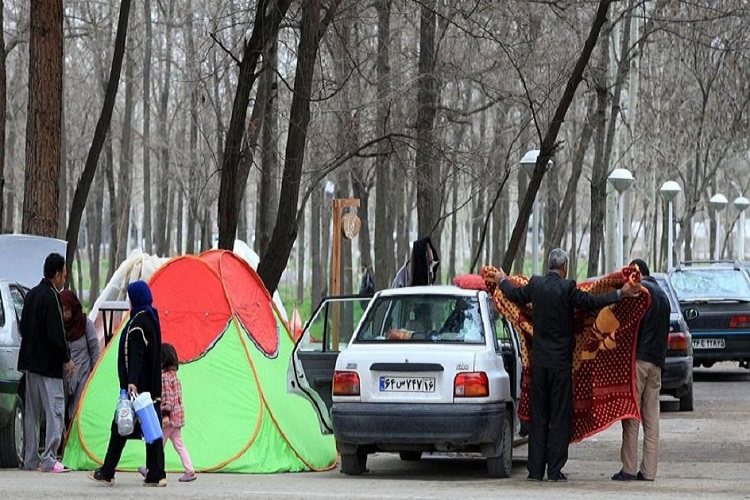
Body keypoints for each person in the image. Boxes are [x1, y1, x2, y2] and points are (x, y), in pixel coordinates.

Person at [492, 248, 640, 482]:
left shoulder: (536, 285)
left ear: (549, 265)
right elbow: (592, 302)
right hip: (561, 365)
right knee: (559, 418)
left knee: (539, 416)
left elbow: (515, 294)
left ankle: (535, 471)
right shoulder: (568, 287)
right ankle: (554, 471)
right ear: (565, 268)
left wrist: (501, 281)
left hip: (540, 364)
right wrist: (620, 294)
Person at [88, 281, 166, 487]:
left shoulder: (139, 323)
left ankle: (107, 471)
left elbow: (137, 356)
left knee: (120, 426)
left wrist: (132, 382)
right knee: (152, 428)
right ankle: (157, 473)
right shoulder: (151, 317)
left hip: (137, 388)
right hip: (151, 387)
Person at [612, 259, 669, 482]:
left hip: (638, 362)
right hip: (657, 363)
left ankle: (628, 468)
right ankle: (648, 472)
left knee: (631, 415)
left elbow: (627, 327)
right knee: (652, 417)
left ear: (637, 273)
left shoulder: (641, 294)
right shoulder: (664, 297)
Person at [18, 252, 75, 473]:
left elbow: (23, 327)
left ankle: (30, 458)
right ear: (57, 274)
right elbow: (57, 335)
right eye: (64, 274)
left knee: (32, 413)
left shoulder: (31, 295)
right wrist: (67, 359)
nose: (65, 279)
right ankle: (50, 458)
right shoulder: (52, 297)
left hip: (30, 365)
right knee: (55, 411)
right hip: (49, 367)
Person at [138, 343, 196, 483]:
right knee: (179, 444)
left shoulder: (163, 377)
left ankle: (152, 470)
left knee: (157, 444)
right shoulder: (174, 376)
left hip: (168, 418)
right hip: (177, 418)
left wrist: (165, 415)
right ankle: (189, 470)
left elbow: (168, 397)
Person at [60, 290, 101, 422]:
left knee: (78, 412)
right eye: (62, 310)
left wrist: (94, 375)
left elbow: (94, 349)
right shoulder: (58, 326)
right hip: (64, 378)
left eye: (67, 310)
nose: (64, 314)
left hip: (83, 374)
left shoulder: (85, 324)